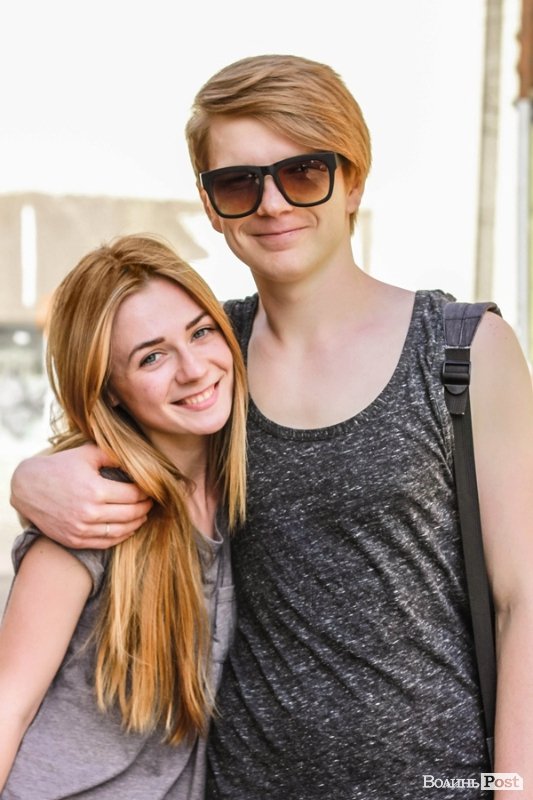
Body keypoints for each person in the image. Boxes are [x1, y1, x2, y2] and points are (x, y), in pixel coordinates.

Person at [10, 54, 533, 798]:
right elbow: (110, 439)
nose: (273, 204)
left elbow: (523, 601)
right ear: (211, 204)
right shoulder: (210, 357)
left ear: (352, 179)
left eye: (303, 172)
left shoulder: (461, 348)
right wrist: (30, 479)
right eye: (238, 183)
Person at [1, 234, 247, 798]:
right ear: (110, 390)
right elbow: (8, 704)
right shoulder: (90, 514)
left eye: (200, 332)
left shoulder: (245, 486)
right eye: (151, 357)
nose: (194, 369)